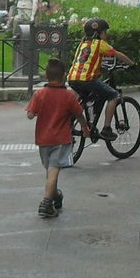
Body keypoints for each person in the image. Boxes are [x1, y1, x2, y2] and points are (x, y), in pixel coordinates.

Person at [26, 57, 92, 219]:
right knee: (54, 170)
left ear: (46, 76)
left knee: (50, 170)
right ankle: (46, 203)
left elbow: (29, 115)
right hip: (61, 139)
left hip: (43, 139)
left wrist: (37, 110)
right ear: (63, 76)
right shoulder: (69, 97)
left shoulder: (39, 94)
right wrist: (84, 127)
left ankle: (55, 196)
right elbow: (79, 114)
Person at [67, 17, 134, 141]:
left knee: (85, 99)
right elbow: (117, 54)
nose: (106, 35)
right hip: (87, 79)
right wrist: (132, 64)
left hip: (72, 78)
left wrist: (99, 67)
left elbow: (87, 61)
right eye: (105, 32)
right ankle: (106, 129)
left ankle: (72, 123)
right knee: (113, 95)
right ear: (98, 34)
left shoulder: (83, 44)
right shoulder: (100, 44)